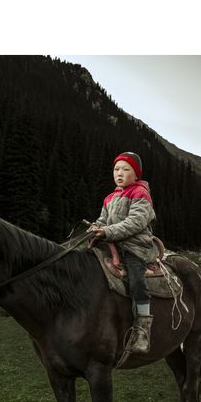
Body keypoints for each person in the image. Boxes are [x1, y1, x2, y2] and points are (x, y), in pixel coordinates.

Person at [89, 152, 157, 354]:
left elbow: (136, 222)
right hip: (112, 245)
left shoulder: (140, 193)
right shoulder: (110, 197)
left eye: (126, 169)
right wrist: (95, 228)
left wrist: (107, 231)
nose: (119, 173)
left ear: (136, 175)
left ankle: (142, 331)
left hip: (134, 246)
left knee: (136, 280)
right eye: (116, 169)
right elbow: (103, 220)